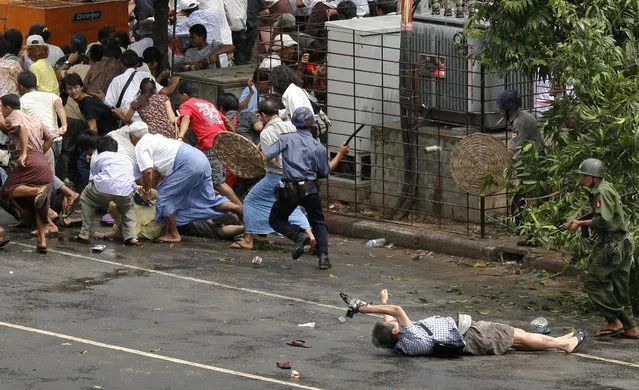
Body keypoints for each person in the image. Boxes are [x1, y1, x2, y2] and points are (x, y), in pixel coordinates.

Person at [341, 289, 588, 356]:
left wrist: (382, 299)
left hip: (468, 341)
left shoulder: (401, 345)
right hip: (471, 334)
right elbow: (396, 311)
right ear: (397, 330)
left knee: (513, 336)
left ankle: (559, 340)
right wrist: (364, 308)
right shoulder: (409, 334)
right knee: (517, 336)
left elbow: (391, 318)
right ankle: (562, 345)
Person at [264, 107, 350, 269]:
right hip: (310, 188)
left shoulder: (286, 139)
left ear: (294, 123)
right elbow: (325, 171)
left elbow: (267, 155)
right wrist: (340, 154)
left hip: (289, 189)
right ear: (312, 125)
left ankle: (299, 236)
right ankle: (323, 257)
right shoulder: (318, 147)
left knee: (276, 220)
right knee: (318, 222)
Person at [128, 121, 242, 243]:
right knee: (209, 198)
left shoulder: (141, 145)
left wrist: (146, 193)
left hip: (187, 164)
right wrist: (152, 190)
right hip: (200, 158)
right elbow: (156, 173)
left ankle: (174, 234)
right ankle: (239, 208)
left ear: (133, 138)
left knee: (165, 196)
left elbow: (148, 173)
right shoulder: (157, 138)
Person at [564, 158, 639, 339]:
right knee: (620, 288)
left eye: (584, 176)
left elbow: (603, 221)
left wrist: (581, 223)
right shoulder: (606, 187)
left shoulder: (601, 192)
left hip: (613, 245)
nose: (582, 179)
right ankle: (630, 327)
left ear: (594, 177)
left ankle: (616, 320)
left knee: (593, 282)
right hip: (624, 244)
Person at [231, 98, 313, 250]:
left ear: (262, 115)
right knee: (290, 207)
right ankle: (311, 236)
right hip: (296, 173)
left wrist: (258, 157)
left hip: (276, 175)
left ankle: (248, 240)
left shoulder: (267, 132)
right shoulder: (291, 126)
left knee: (250, 201)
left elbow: (272, 160)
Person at [0, 94, 54, 253]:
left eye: (2, 107)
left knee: (7, 190)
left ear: (8, 108)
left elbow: (22, 129)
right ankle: (42, 241)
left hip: (26, 161)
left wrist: (24, 153)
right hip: (41, 162)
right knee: (38, 204)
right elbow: (50, 138)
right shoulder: (34, 119)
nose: (2, 111)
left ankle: (36, 191)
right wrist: (39, 154)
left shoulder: (12, 118)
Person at [176, 81, 242, 206]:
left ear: (184, 95)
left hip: (210, 144)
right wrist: (235, 138)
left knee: (218, 182)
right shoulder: (208, 104)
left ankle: (241, 210)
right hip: (222, 142)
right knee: (209, 177)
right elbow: (227, 122)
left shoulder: (186, 105)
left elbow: (185, 118)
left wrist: (180, 137)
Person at [74, 137, 139, 245]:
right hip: (125, 190)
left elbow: (95, 174)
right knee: (128, 210)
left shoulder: (98, 157)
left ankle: (84, 233)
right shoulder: (127, 158)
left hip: (102, 189)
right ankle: (131, 237)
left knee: (86, 198)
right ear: (115, 149)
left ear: (98, 149)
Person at [104, 50, 179, 123]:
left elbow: (109, 104)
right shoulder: (146, 75)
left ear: (121, 64)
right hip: (148, 121)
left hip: (128, 120)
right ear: (137, 64)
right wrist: (174, 82)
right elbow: (165, 91)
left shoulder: (117, 80)